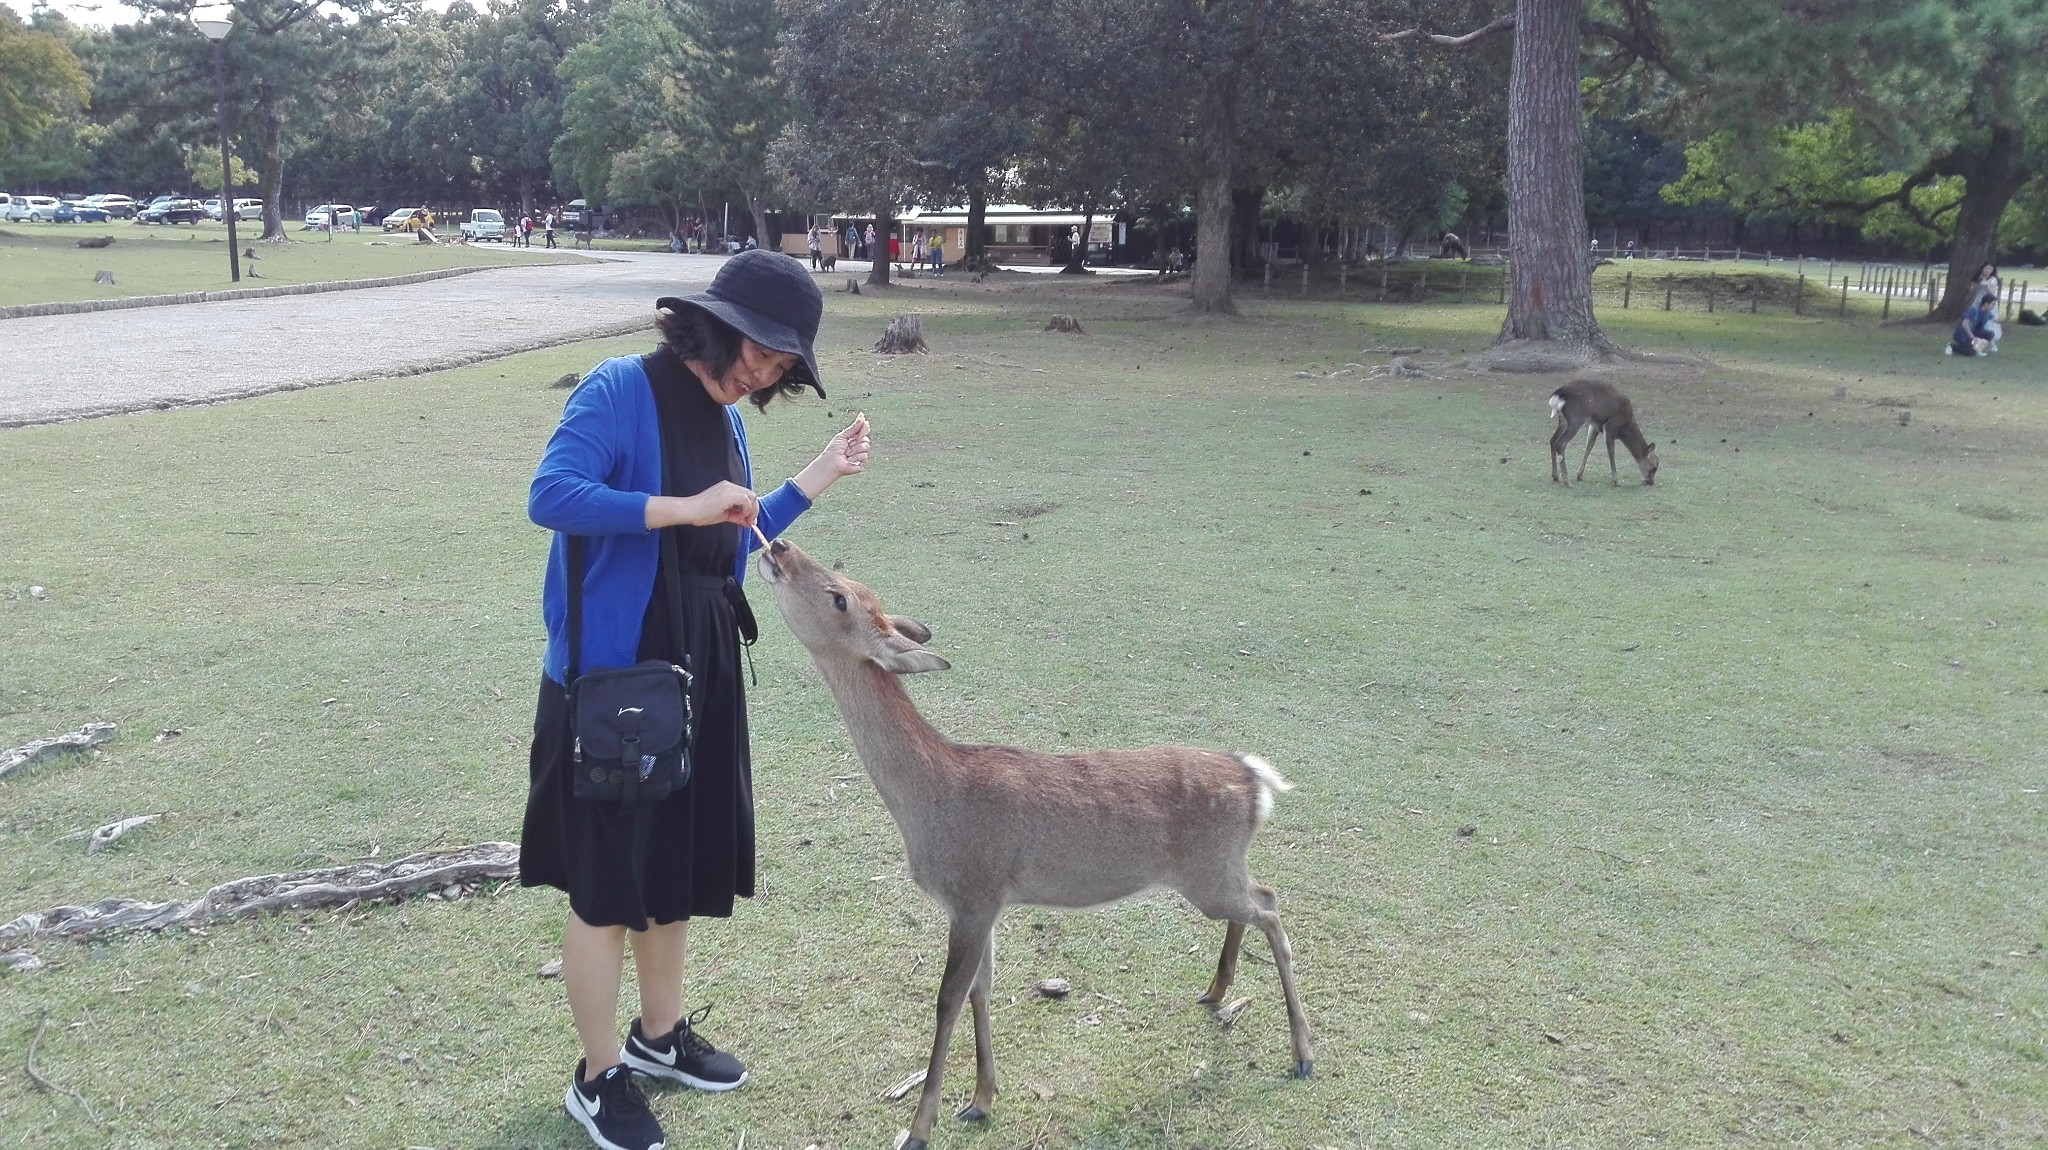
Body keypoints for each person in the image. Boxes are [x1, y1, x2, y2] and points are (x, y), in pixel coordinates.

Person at [525, 249, 873, 1150]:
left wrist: (817, 476)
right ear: (711, 323)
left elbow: (736, 533)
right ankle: (597, 1078)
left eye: (780, 362)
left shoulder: (728, 422)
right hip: (614, 680)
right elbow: (551, 496)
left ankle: (659, 1038)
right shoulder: (618, 388)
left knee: (673, 870)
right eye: (756, 346)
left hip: (698, 667)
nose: (762, 368)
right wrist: (679, 507)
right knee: (606, 890)